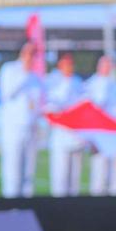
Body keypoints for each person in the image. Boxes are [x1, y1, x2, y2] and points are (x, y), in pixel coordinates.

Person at [0, 43, 45, 199]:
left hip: (31, 130)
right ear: (21, 52)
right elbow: (7, 94)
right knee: (12, 175)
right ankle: (12, 210)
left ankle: (27, 208)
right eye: (28, 52)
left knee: (28, 176)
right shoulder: (9, 70)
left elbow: (38, 105)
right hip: (13, 130)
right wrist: (24, 72)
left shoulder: (35, 78)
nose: (30, 56)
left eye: (33, 53)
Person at [86, 55, 116, 195]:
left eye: (109, 65)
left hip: (115, 136)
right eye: (105, 64)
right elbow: (93, 110)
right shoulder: (91, 85)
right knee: (99, 176)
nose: (107, 68)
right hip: (100, 137)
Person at [45, 53, 84, 196]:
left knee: (74, 180)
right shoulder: (52, 81)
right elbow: (52, 106)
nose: (69, 67)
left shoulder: (78, 82)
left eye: (71, 64)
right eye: (66, 64)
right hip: (61, 136)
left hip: (76, 136)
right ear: (60, 65)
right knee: (60, 179)